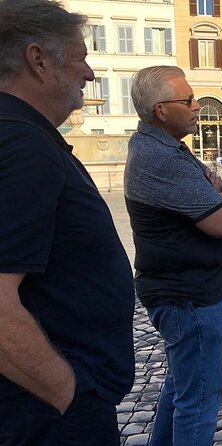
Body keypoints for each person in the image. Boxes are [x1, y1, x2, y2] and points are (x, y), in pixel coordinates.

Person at [0, 1, 136, 444]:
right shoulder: (23, 145)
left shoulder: (22, 134)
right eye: (80, 58)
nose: (90, 74)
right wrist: (72, 398)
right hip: (45, 414)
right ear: (38, 60)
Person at [124, 66, 222, 446]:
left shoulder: (166, 147)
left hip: (185, 291)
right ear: (161, 110)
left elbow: (213, 185)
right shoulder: (161, 158)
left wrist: (217, 192)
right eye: (187, 100)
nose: (197, 106)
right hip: (186, 295)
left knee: (179, 387)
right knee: (201, 399)